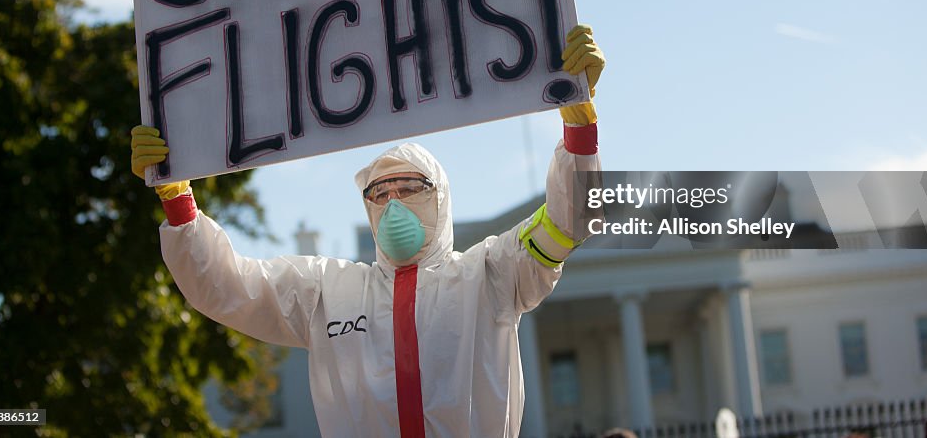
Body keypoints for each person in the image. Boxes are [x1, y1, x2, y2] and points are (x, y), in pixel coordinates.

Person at [130, 24, 605, 437]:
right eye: (380, 193)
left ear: (440, 197)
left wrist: (579, 124)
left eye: (410, 187)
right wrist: (179, 202)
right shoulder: (326, 291)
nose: (394, 202)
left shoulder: (491, 273)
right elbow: (226, 286)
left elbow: (570, 220)